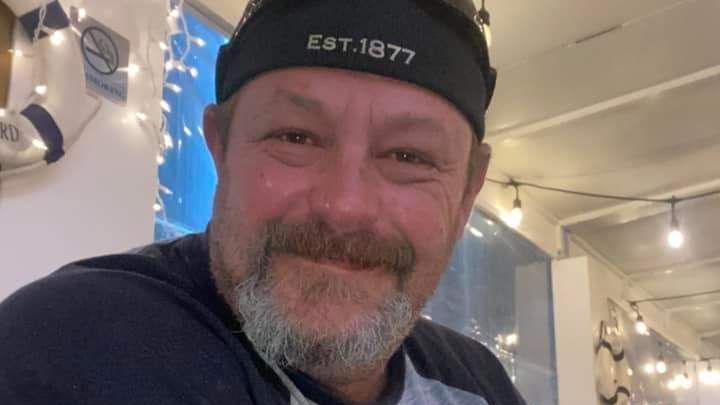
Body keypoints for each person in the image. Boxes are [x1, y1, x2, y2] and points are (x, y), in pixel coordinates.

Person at [0, 0, 527, 404]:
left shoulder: (477, 382)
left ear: (467, 192)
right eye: (295, 137)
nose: (344, 206)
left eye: (409, 156)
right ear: (220, 149)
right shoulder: (79, 344)